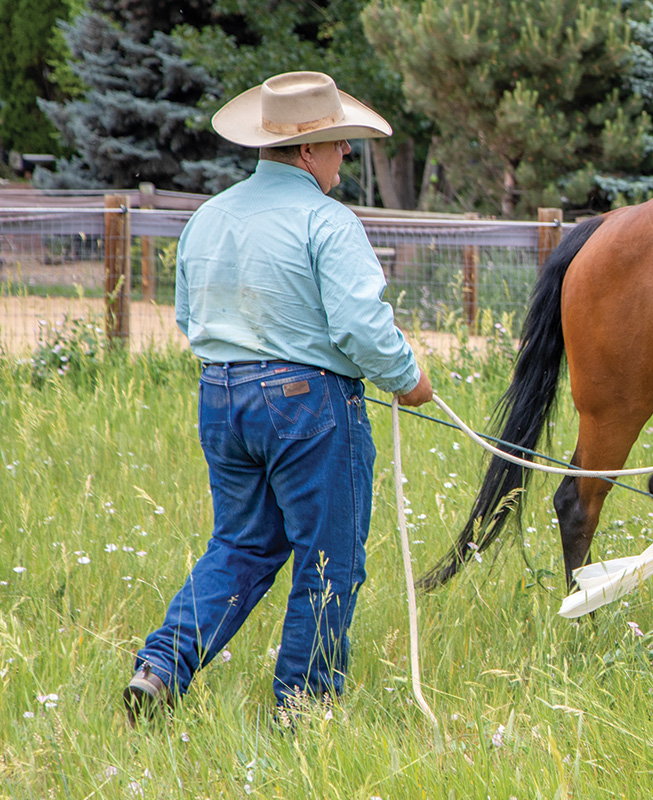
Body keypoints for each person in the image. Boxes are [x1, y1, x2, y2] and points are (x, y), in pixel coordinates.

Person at [123, 71, 433, 728]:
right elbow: (359, 325)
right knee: (330, 556)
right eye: (337, 143)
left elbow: (187, 315)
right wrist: (408, 379)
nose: (345, 154)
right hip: (307, 405)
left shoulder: (209, 216)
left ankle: (159, 670)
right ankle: (306, 703)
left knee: (240, 544)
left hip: (221, 395)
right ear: (304, 151)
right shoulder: (327, 220)